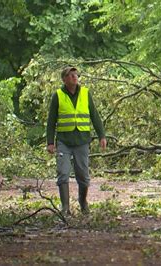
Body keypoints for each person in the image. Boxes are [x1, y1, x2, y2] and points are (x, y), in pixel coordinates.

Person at [46, 66, 107, 215]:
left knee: (83, 174)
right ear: (64, 79)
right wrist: (50, 142)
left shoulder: (85, 93)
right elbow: (51, 121)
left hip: (82, 141)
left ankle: (83, 202)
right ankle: (65, 207)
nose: (74, 77)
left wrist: (102, 136)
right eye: (70, 75)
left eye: (75, 74)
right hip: (64, 142)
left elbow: (95, 116)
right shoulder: (58, 95)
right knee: (63, 172)